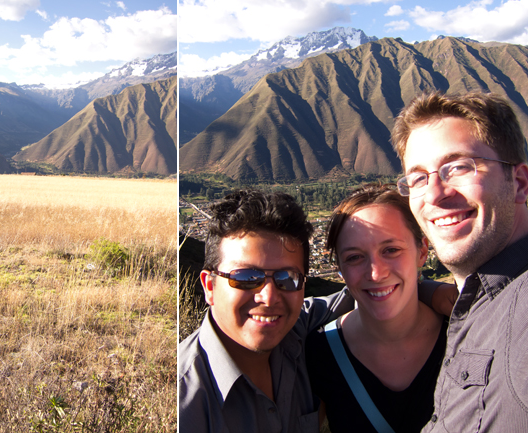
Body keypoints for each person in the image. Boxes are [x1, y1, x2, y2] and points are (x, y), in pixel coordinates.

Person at [178, 189, 452, 433]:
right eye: (247, 277)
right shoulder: (183, 403)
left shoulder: (298, 334)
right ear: (209, 286)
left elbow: (372, 292)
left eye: (288, 278)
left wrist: (438, 293)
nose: (269, 297)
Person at [392, 91, 528, 431]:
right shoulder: (477, 302)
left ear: (520, 184)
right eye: (419, 178)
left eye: (459, 167)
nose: (435, 194)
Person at [306, 184, 447, 433]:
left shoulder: (468, 339)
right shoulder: (318, 354)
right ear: (339, 268)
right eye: (354, 257)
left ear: (422, 251)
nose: (376, 273)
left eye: (391, 250)